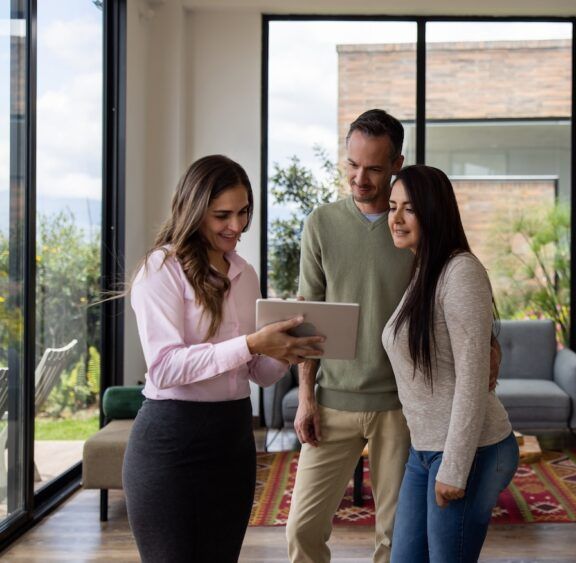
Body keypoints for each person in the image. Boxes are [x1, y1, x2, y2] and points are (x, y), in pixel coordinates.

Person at [285, 109, 502, 563]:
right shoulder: (322, 225)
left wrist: (490, 345)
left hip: (401, 410)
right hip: (333, 401)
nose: (360, 178)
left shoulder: (417, 231)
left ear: (397, 164)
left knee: (394, 537)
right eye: (352, 164)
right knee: (302, 527)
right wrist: (306, 396)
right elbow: (308, 319)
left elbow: (462, 301)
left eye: (375, 168)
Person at [123, 155, 325, 563]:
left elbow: (258, 374)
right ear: (194, 211)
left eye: (243, 212)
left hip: (232, 439)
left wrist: (287, 347)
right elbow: (164, 368)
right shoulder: (161, 270)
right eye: (222, 215)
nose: (237, 226)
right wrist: (252, 343)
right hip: (170, 443)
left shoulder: (244, 273)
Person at [383, 165, 518, 563]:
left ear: (434, 211)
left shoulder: (461, 272)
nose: (396, 218)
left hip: (470, 450)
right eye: (393, 207)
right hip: (424, 449)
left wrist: (455, 468)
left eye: (409, 208)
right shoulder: (424, 270)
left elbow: (473, 379)